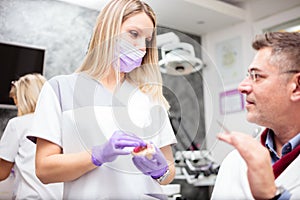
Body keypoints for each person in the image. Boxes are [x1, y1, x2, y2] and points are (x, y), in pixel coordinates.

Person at [28, 0, 177, 199]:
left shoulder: (150, 98)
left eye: (147, 40)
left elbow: (168, 173)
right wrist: (97, 154)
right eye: (134, 34)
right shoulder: (60, 89)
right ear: (108, 31)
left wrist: (160, 171)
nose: (142, 48)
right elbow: (44, 170)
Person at [211, 32, 300, 200]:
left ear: (296, 87)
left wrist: (270, 196)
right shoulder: (234, 162)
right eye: (247, 75)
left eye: (256, 76)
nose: (242, 87)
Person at [0, 73, 63, 199]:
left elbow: (2, 172)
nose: (16, 106)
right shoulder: (61, 122)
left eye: (16, 100)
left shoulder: (18, 124)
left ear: (23, 100)